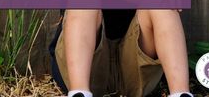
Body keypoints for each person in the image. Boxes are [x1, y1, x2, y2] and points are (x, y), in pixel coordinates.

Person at [49, 8, 193, 97]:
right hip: (88, 68)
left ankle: (181, 93)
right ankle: (79, 93)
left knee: (162, 0)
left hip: (135, 67)